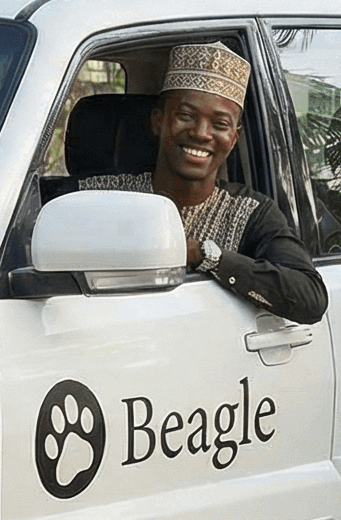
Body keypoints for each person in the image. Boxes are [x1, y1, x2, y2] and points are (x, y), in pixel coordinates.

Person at [87, 43, 328, 324]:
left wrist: (204, 255)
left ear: (234, 138)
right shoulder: (100, 196)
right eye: (186, 116)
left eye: (220, 124)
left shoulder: (251, 213)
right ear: (158, 120)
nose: (202, 134)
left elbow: (310, 298)